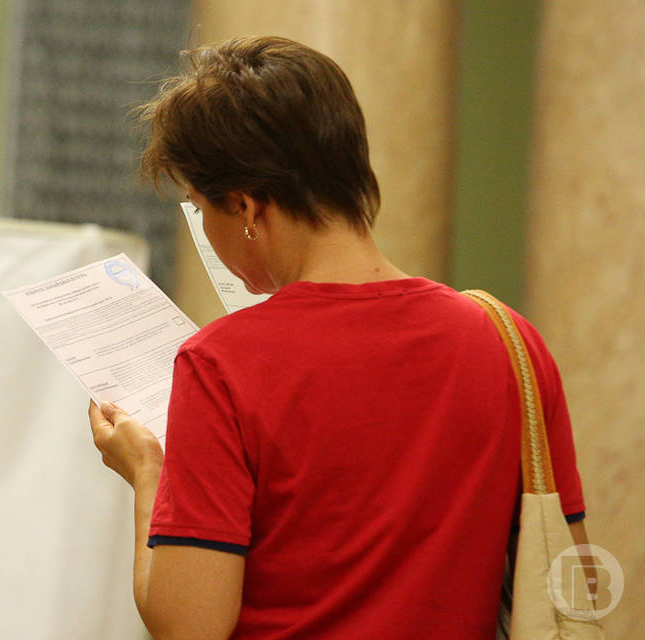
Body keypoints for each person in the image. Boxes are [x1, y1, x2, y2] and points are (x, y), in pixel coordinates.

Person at [88, 35, 588, 640]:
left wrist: (148, 472)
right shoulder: (509, 341)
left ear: (245, 207)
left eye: (200, 207)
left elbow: (190, 626)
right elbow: (570, 579)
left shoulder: (221, 363)